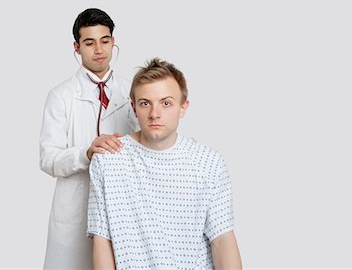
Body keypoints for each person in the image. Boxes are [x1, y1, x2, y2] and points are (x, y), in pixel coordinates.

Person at [87, 58, 242, 269]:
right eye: (145, 103)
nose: (154, 114)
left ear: (183, 107)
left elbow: (222, 240)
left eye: (166, 103)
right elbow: (102, 240)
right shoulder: (108, 160)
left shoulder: (209, 162)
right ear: (133, 108)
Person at [40, 8, 139, 269]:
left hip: (123, 207)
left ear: (113, 42)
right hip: (75, 209)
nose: (99, 49)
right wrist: (86, 153)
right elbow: (48, 159)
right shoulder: (60, 96)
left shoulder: (131, 92)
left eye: (105, 41)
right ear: (77, 46)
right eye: (89, 42)